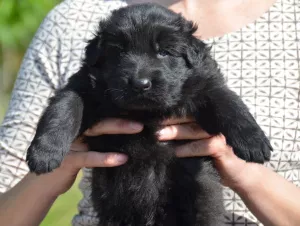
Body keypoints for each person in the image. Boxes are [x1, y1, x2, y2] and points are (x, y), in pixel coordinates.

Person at [0, 0, 299, 225]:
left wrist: (247, 169)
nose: (140, 76)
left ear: (190, 55)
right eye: (121, 53)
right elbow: (73, 98)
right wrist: (55, 153)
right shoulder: (74, 20)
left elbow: (215, 96)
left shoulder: (291, 18)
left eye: (164, 52)